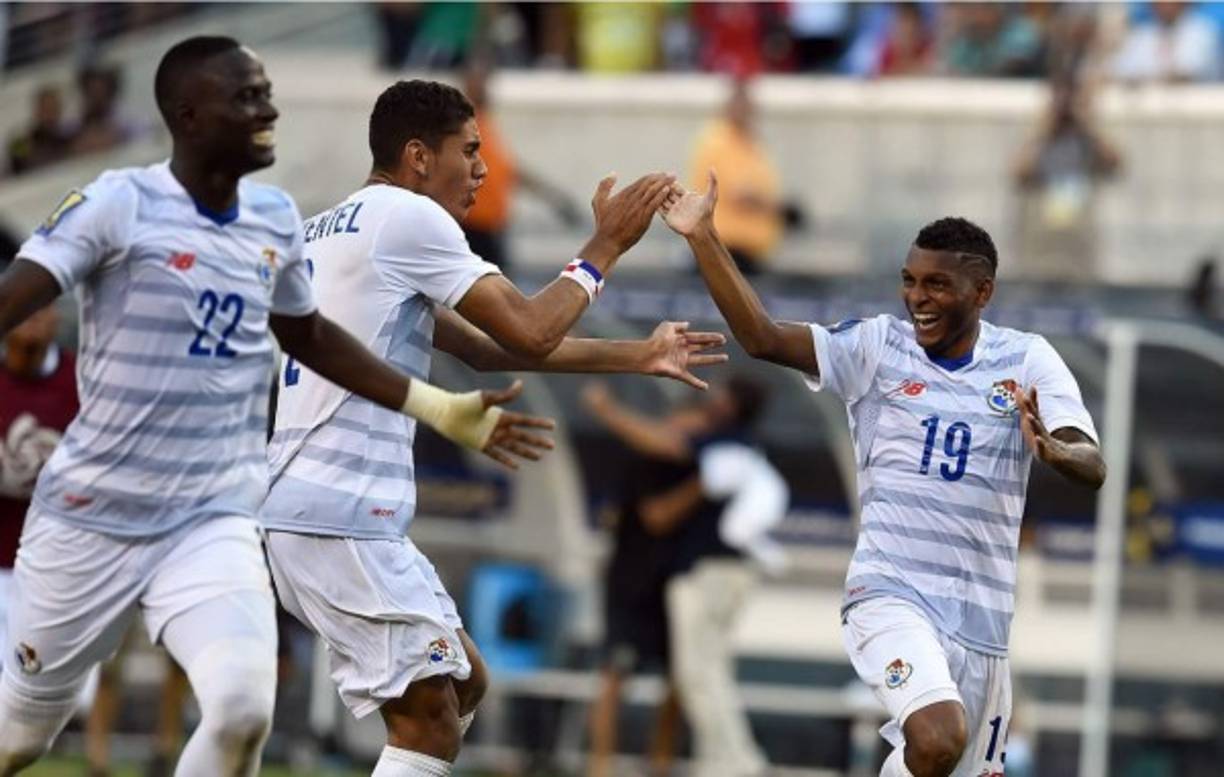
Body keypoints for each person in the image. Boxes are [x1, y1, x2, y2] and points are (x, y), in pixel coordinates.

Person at [0, 36, 550, 777]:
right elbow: (13, 301)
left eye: (266, 92)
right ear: (190, 116)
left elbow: (313, 335)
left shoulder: (274, 220)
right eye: (247, 96)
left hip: (211, 516)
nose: (269, 109)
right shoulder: (117, 204)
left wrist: (436, 405)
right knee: (20, 737)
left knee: (241, 711)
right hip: (94, 515)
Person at [260, 78, 726, 777]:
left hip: (318, 512)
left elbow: (484, 345)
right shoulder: (408, 221)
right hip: (340, 514)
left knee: (465, 684)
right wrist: (606, 245)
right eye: (470, 151)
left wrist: (639, 352)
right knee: (428, 720)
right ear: (418, 156)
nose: (483, 169)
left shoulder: (332, 227)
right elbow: (533, 331)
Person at [659, 180, 1106, 777]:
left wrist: (1054, 451)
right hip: (891, 594)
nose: (916, 298)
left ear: (983, 292)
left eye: (937, 284)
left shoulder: (1027, 359)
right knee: (938, 735)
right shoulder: (876, 348)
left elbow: (1091, 461)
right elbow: (762, 336)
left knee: (940, 759)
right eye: (910, 280)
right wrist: (705, 237)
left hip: (985, 625)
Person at [582, 376, 786, 777]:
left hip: (708, 574)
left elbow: (666, 455)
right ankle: (726, 764)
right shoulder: (724, 449)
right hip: (678, 578)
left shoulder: (728, 445)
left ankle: (737, 765)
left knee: (698, 676)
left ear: (732, 407)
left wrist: (606, 410)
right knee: (698, 674)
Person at [460, 63, 580, 269]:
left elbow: (509, 171)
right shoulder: (459, 128)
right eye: (477, 83)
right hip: (472, 229)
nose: (484, 89)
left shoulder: (484, 125)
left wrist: (554, 198)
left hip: (491, 228)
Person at [1012, 75, 1121, 281]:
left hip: (1079, 243)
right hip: (1040, 242)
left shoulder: (1087, 141)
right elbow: (1019, 172)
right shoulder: (1038, 138)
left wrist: (1087, 124)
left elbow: (1114, 163)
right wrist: (1044, 130)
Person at [688, 79, 785, 276]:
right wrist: (779, 208)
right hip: (725, 252)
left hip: (746, 255)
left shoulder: (749, 143)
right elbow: (739, 193)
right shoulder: (719, 141)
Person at [6, 85, 72, 176]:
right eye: (46, 109)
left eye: (53, 109)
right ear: (37, 111)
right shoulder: (21, 143)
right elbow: (15, 168)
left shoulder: (69, 138)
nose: (50, 114)